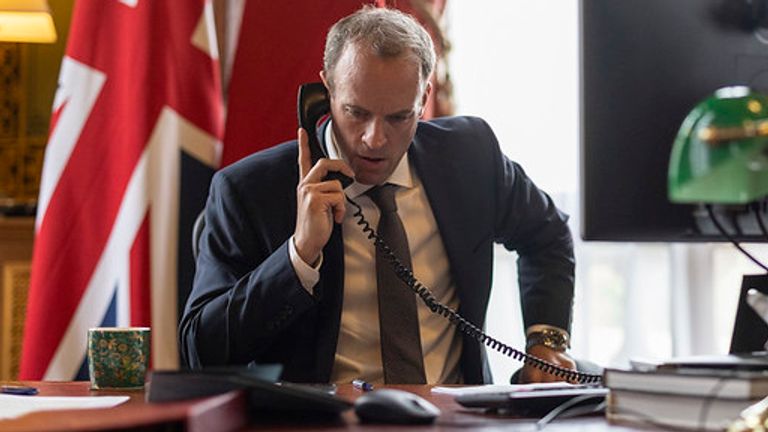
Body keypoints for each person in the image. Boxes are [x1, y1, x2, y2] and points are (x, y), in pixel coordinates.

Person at [180, 6, 576, 385]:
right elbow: (201, 350)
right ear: (326, 93)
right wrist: (298, 256)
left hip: (454, 415)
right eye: (356, 112)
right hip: (322, 421)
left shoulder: (470, 157)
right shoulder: (250, 190)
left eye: (399, 117)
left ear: (423, 100)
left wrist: (546, 341)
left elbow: (547, 235)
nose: (375, 139)